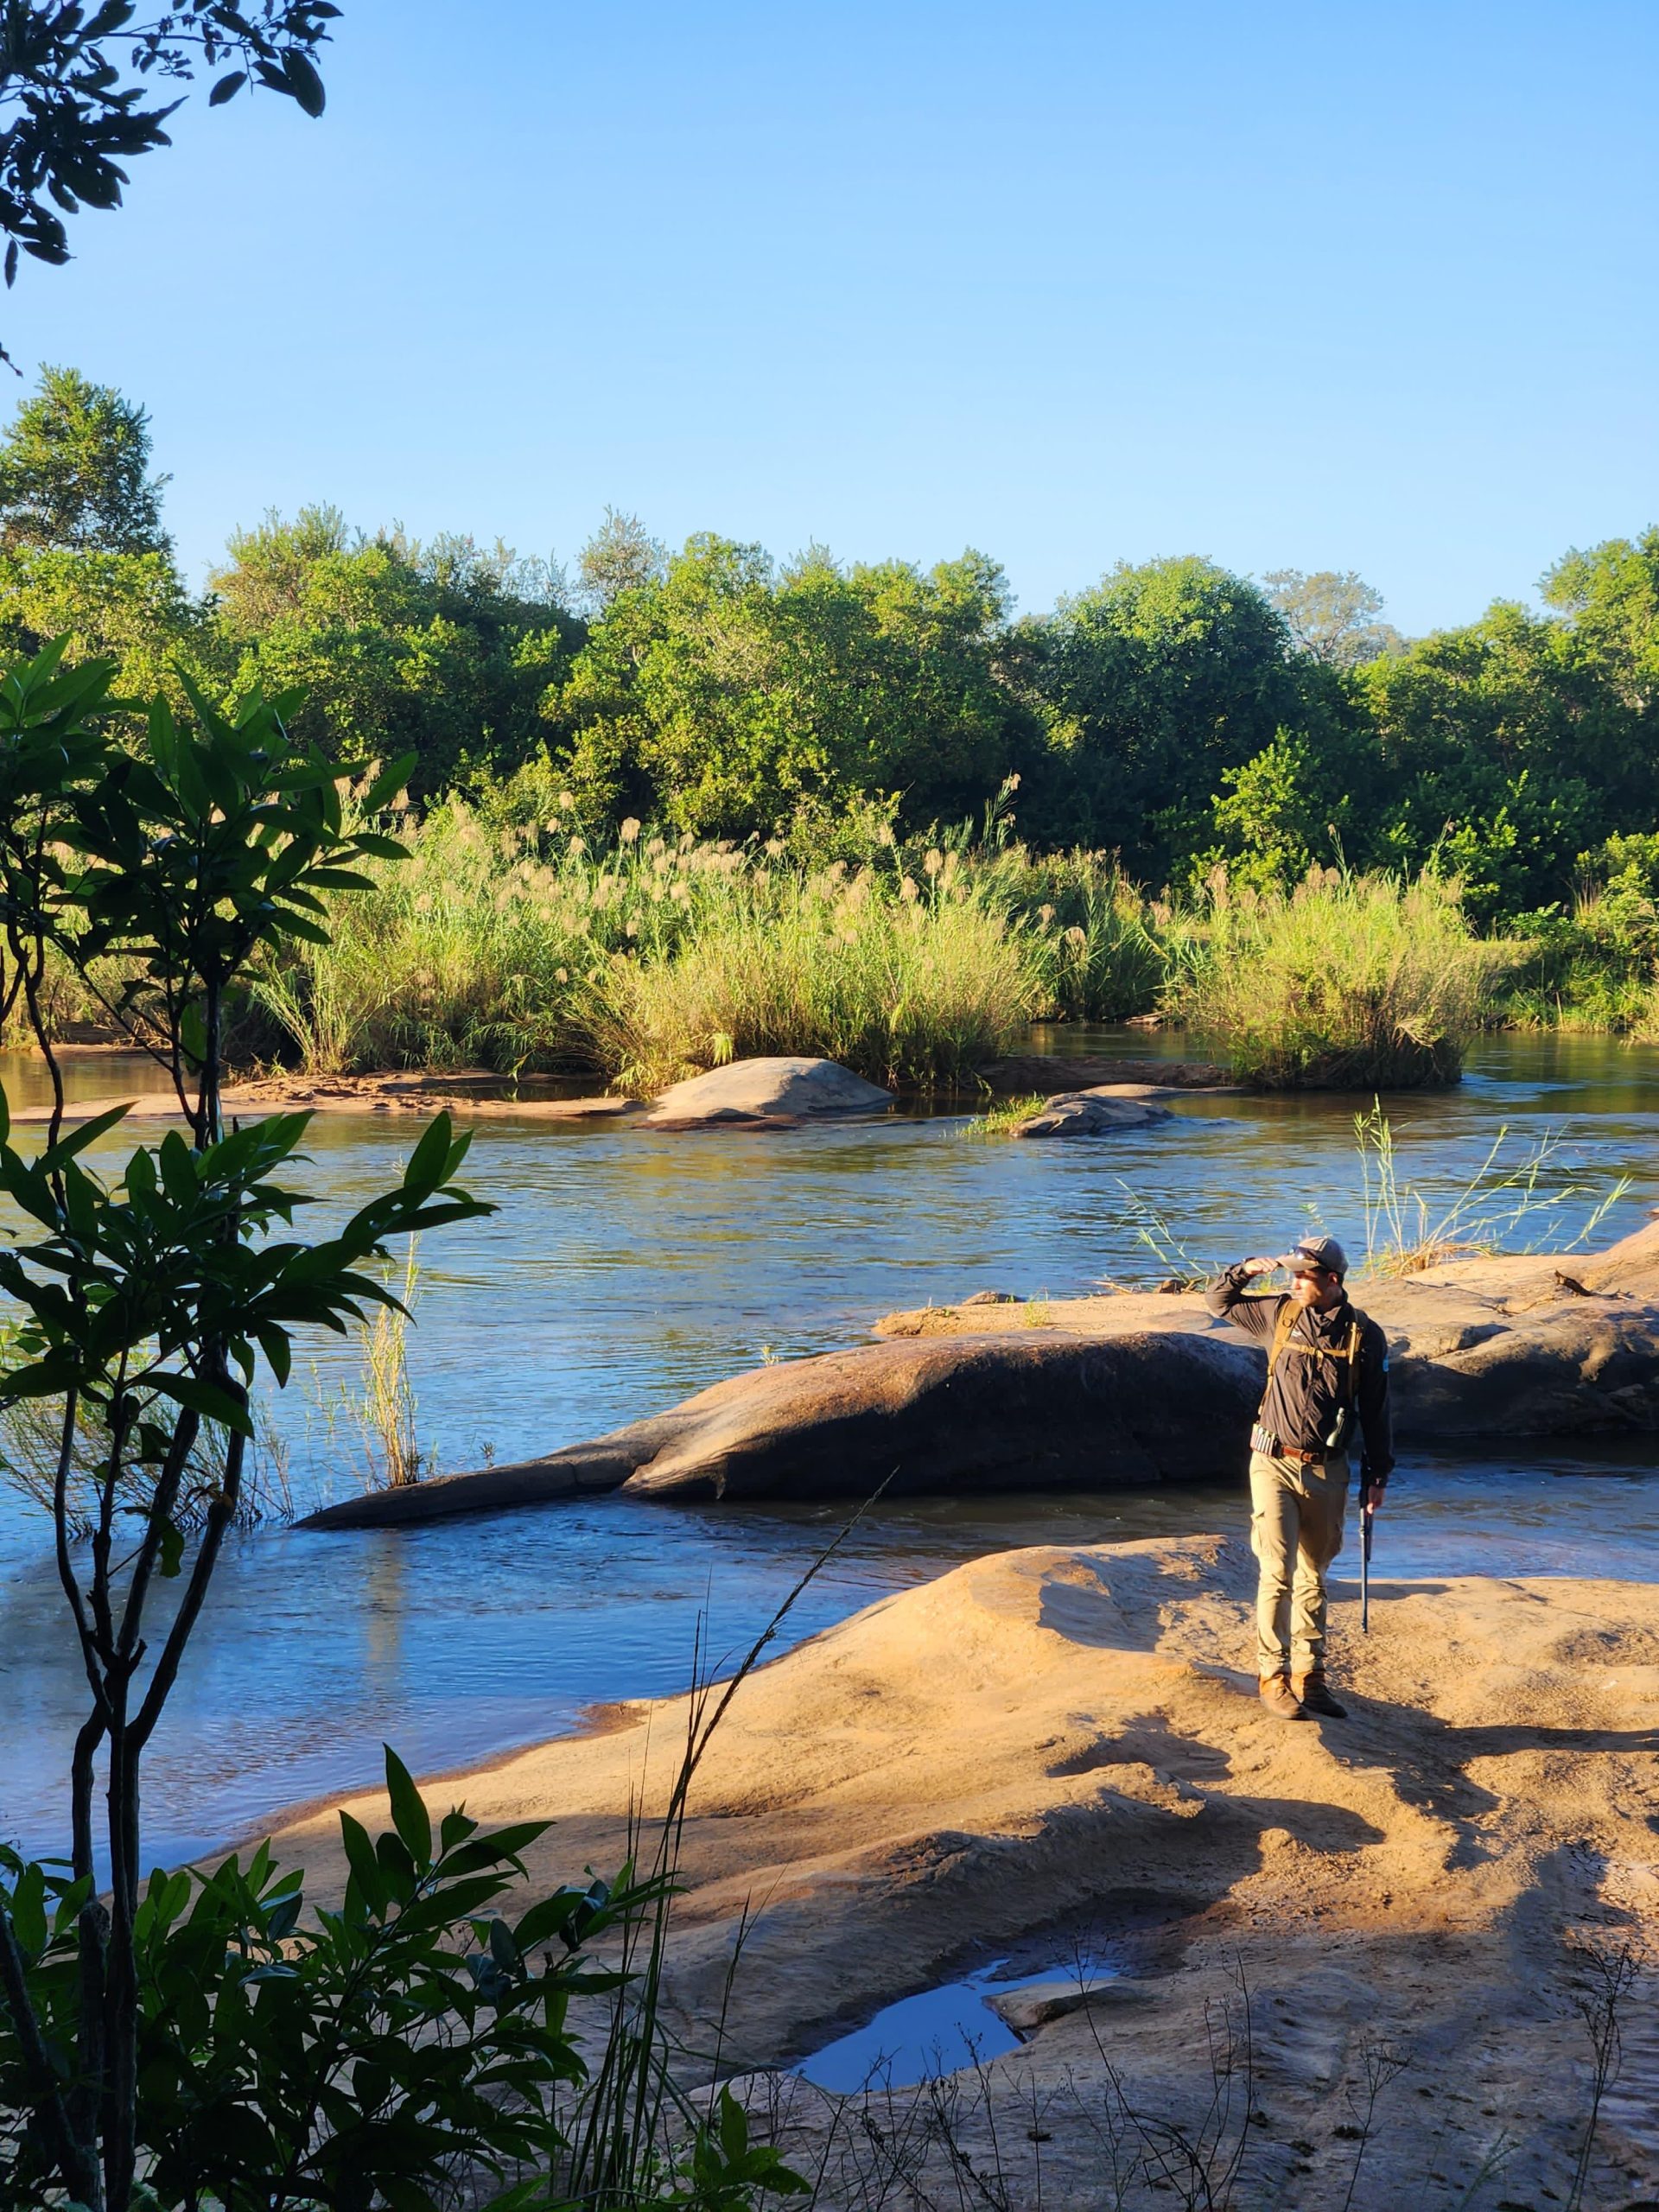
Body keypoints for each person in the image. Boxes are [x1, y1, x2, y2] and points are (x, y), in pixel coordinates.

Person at [1205, 1235, 1393, 1721]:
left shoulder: (1364, 1335)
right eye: (1291, 1273)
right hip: (1271, 1463)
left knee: (1314, 1576)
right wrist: (1245, 1268)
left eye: (1303, 1275)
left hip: (1328, 1471)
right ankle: (1273, 1676)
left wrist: (1378, 1474)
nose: (1293, 1281)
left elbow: (1376, 1411)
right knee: (1277, 1571)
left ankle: (1312, 1680)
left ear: (1332, 1280)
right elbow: (1218, 1301)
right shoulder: (1279, 1313)